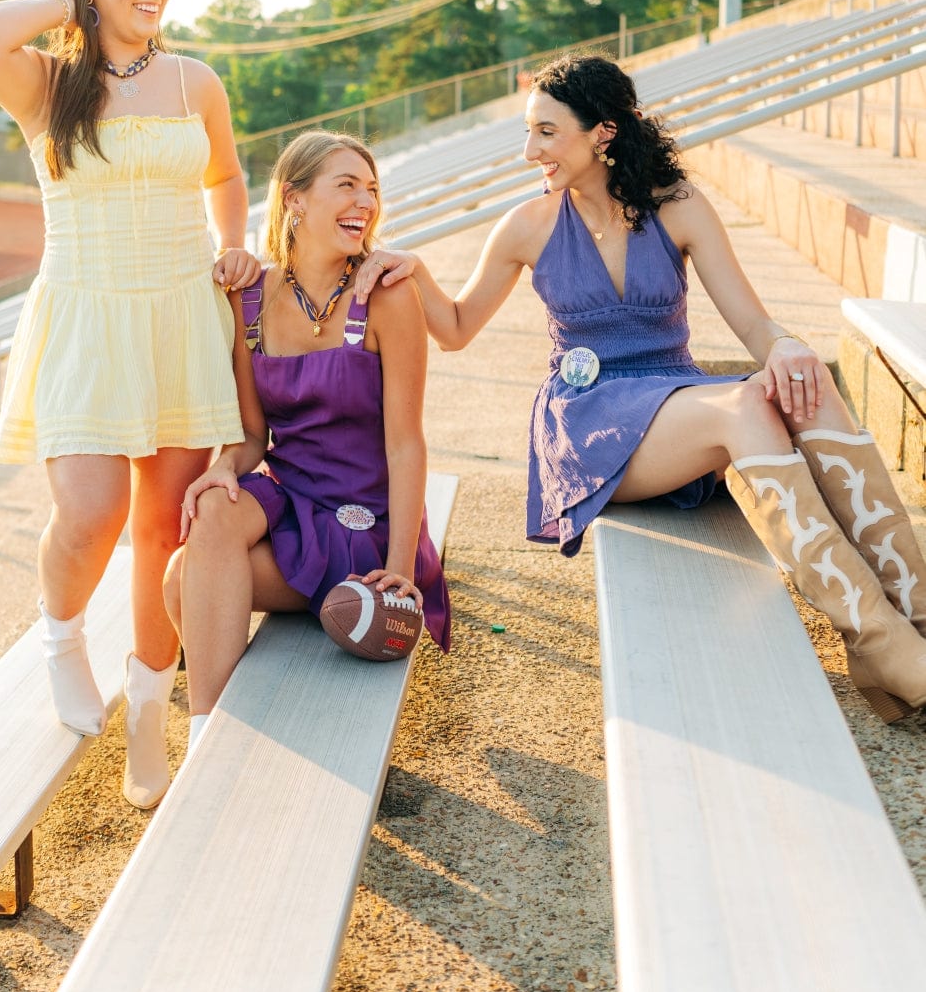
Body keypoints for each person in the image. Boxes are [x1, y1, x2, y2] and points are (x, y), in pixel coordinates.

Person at [354, 53, 926, 724]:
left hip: (679, 406)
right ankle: (884, 646)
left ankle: (909, 620)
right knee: (745, 402)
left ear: (602, 132)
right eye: (527, 132)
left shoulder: (676, 205)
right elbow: (453, 329)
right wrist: (416, 270)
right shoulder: (527, 225)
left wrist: (785, 345)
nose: (528, 151)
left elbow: (748, 319)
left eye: (544, 132)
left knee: (808, 383)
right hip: (589, 425)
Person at [0, 0, 259, 808]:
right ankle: (59, 640)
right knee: (89, 512)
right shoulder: (45, 85)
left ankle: (145, 716)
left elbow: (228, 177)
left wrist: (234, 240)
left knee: (163, 531)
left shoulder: (193, 80)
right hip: (86, 317)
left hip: (178, 314)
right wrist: (70, 6)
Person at [164, 130, 451, 751]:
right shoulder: (249, 301)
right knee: (211, 510)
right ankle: (207, 736)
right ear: (293, 199)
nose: (365, 203)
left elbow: (406, 444)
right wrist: (223, 468)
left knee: (179, 582)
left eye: (371, 189)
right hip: (291, 504)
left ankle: (219, 736)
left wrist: (401, 568)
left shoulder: (387, 294)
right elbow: (250, 435)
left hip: (366, 521)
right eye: (346, 185)